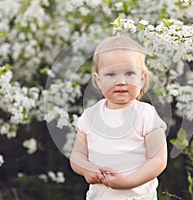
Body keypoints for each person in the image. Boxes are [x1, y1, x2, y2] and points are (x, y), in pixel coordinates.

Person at [70, 35, 167, 200]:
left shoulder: (146, 114)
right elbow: (77, 155)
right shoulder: (90, 116)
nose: (121, 81)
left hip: (139, 197)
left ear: (142, 78)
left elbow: (158, 160)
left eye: (129, 73)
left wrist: (128, 181)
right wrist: (86, 168)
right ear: (98, 80)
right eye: (111, 74)